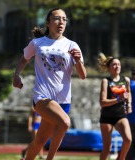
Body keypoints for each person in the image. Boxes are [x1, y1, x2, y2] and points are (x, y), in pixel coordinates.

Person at [13, 7, 87, 160]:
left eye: (64, 19)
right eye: (57, 18)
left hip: (63, 100)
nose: (61, 22)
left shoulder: (72, 45)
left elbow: (82, 75)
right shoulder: (37, 43)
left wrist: (78, 61)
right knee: (65, 123)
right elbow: (24, 59)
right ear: (48, 22)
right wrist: (17, 75)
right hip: (42, 96)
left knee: (40, 140)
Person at [97, 53, 132, 160]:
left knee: (128, 139)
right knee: (107, 148)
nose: (117, 66)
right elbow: (102, 102)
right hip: (107, 116)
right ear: (109, 67)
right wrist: (118, 99)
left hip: (120, 115)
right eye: (114, 64)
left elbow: (128, 94)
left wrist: (129, 104)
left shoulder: (126, 80)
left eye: (119, 64)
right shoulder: (105, 81)